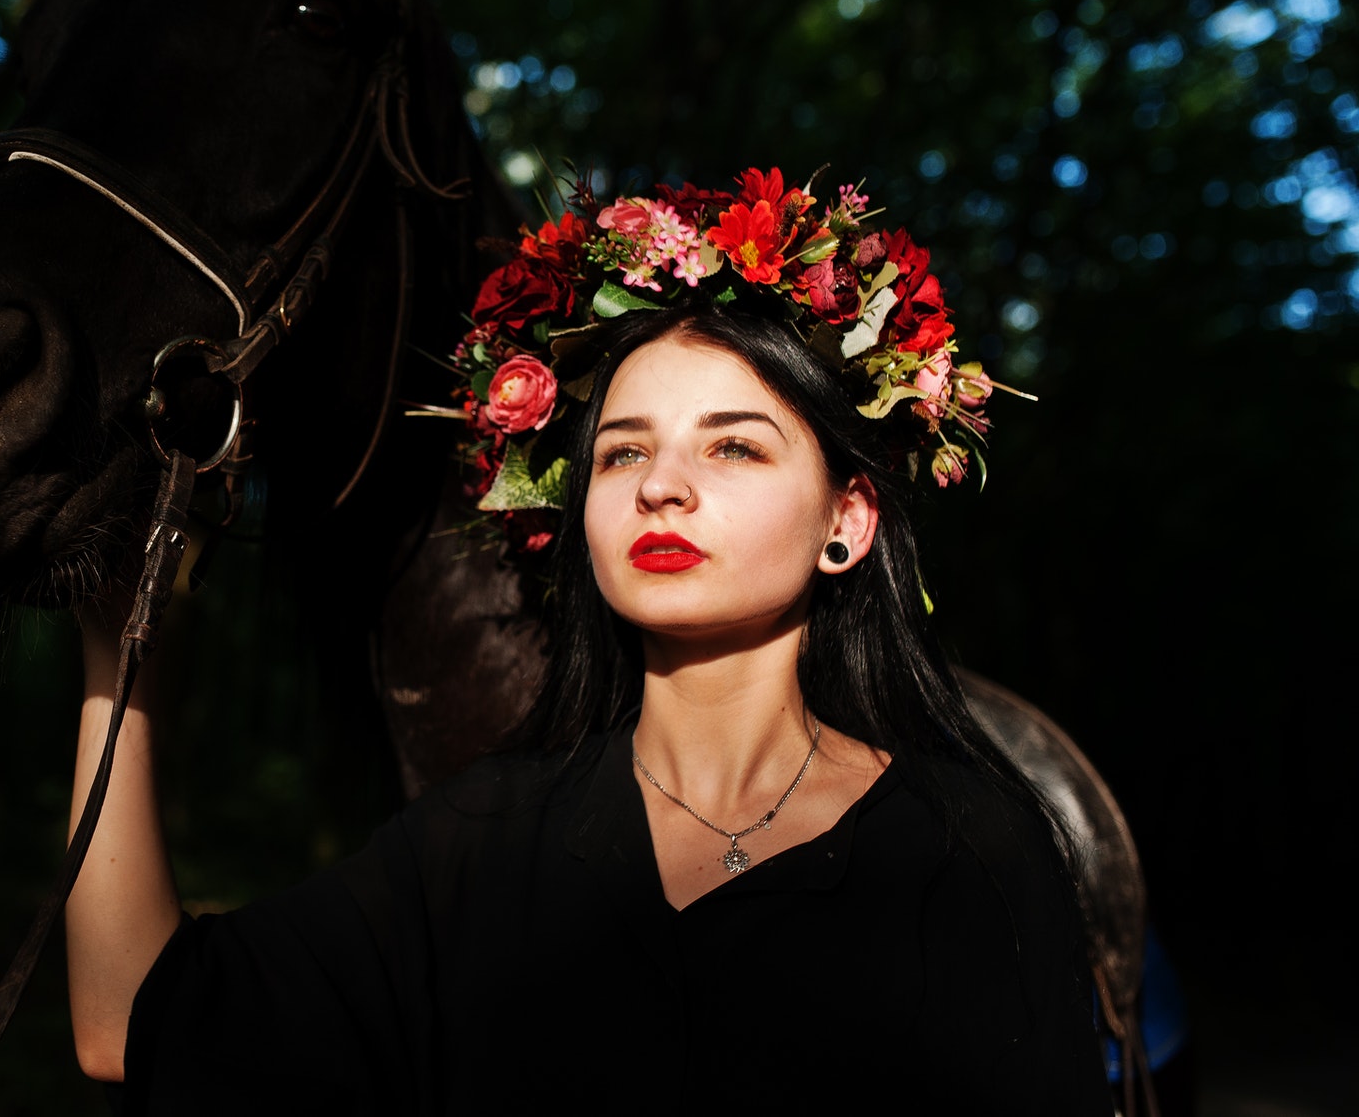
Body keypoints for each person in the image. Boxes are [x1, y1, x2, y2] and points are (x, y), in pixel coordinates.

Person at [63, 173, 1110, 1114]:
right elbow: (124, 1025)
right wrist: (120, 650)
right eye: (621, 453)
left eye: (734, 444)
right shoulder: (476, 842)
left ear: (846, 520)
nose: (661, 484)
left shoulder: (970, 850)